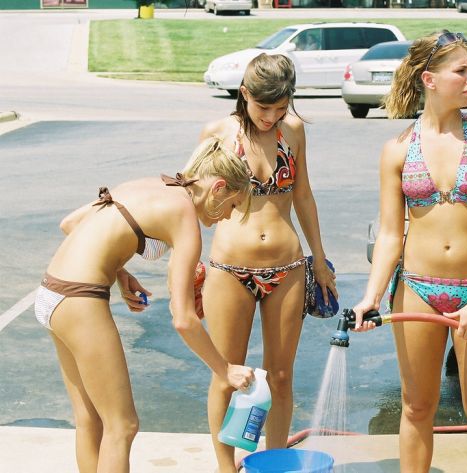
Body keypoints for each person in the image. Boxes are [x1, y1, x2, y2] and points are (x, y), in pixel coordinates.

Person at [34, 137, 256, 473]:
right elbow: (183, 319)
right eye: (234, 205)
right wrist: (224, 370)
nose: (228, 217)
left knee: (90, 420)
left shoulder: (150, 184)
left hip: (52, 293)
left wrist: (120, 274)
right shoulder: (185, 218)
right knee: (122, 426)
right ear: (219, 188)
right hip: (79, 300)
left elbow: (70, 223)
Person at [352, 32, 467, 473]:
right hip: (418, 288)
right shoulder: (397, 150)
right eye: (461, 71)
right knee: (417, 407)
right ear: (430, 79)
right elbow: (390, 234)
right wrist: (371, 296)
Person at [199, 53, 337, 472]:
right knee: (227, 373)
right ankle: (226, 468)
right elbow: (194, 197)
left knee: (280, 376)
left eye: (281, 107)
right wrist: (187, 257)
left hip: (288, 266)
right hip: (228, 269)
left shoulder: (292, 132)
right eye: (264, 107)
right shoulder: (217, 132)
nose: (272, 116)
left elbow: (303, 195)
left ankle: (276, 464)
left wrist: (321, 258)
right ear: (244, 93)